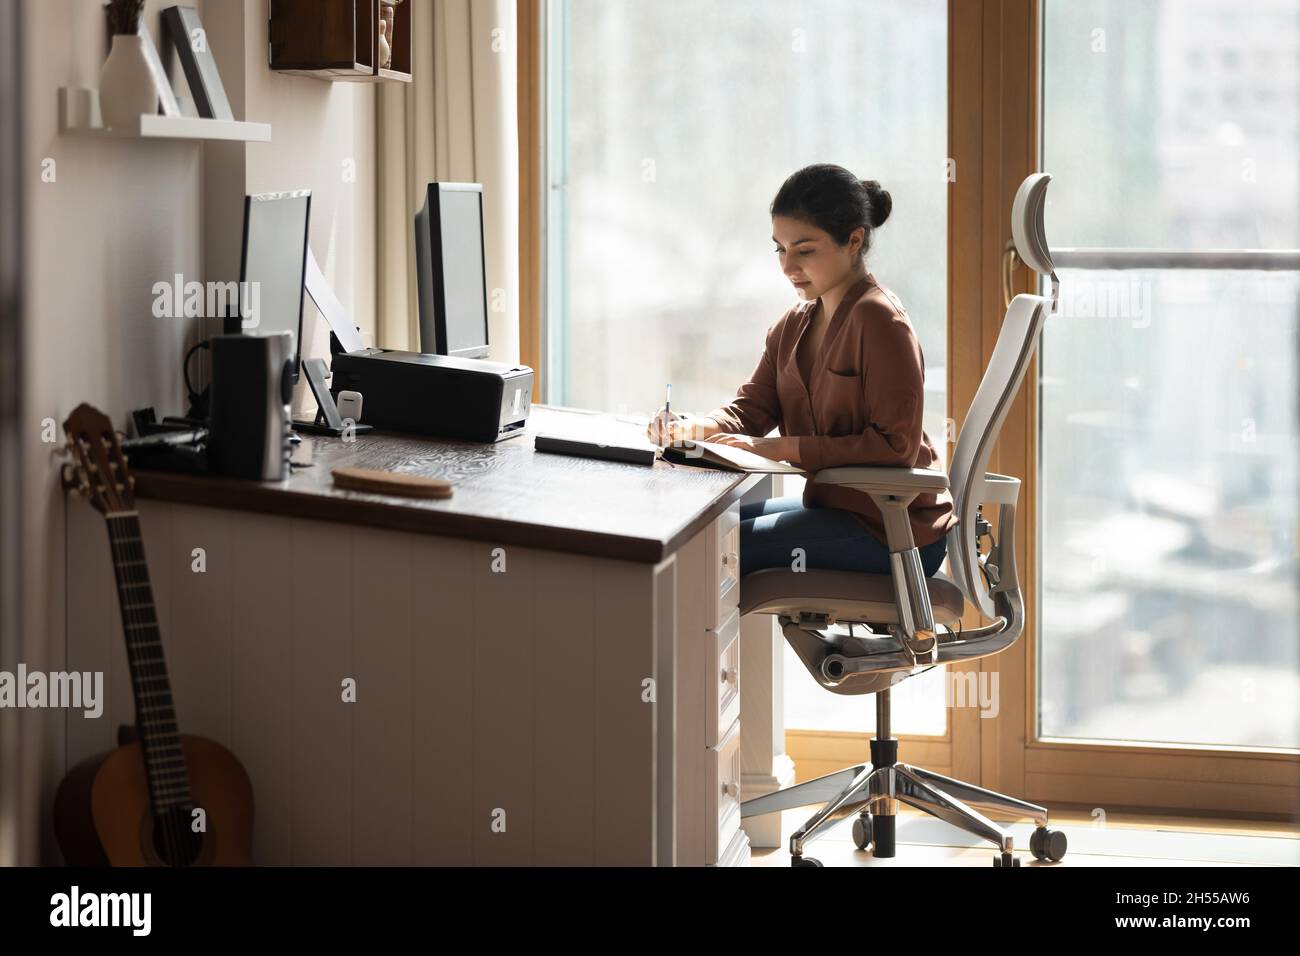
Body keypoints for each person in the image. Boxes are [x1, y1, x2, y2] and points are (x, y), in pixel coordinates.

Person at [647, 164, 956, 578]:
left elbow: (893, 448)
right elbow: (750, 411)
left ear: (853, 241)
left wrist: (781, 449)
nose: (788, 266)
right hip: (838, 510)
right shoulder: (793, 324)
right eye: (780, 249)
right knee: (702, 536)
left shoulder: (881, 321)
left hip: (895, 531)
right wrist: (689, 427)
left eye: (805, 250)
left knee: (710, 555)